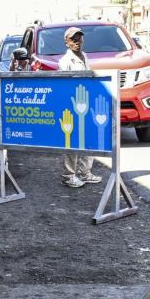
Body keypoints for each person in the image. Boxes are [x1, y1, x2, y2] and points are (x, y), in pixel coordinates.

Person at [58, 26, 102, 188]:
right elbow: (65, 86)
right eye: (73, 39)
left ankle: (85, 173)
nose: (77, 42)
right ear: (67, 42)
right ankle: (69, 175)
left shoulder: (85, 57)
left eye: (79, 38)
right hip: (72, 106)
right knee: (73, 142)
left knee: (89, 139)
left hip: (86, 103)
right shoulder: (65, 62)